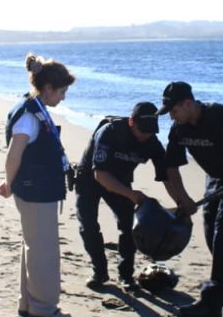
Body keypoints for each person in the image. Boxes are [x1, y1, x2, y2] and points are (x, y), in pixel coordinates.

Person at [158, 82, 223, 317]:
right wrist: (183, 199)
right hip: (216, 178)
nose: (172, 117)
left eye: (174, 111)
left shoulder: (222, 116)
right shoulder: (180, 129)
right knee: (211, 236)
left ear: (187, 103)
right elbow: (171, 167)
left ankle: (211, 302)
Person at [0, 52, 76, 317]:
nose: (64, 96)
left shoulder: (32, 107)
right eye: (62, 90)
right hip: (35, 190)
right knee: (43, 250)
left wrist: (12, 181)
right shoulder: (30, 115)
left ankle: (28, 302)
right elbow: (13, 154)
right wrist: (9, 183)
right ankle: (43, 307)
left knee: (33, 245)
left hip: (35, 188)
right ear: (48, 88)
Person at [75, 101, 175, 290]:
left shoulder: (152, 142)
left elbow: (167, 177)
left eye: (151, 131)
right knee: (88, 225)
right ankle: (100, 272)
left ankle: (126, 275)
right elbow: (100, 175)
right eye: (142, 130)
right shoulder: (110, 132)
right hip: (90, 178)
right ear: (131, 122)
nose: (146, 135)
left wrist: (180, 201)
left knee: (129, 226)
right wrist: (131, 194)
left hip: (120, 180)